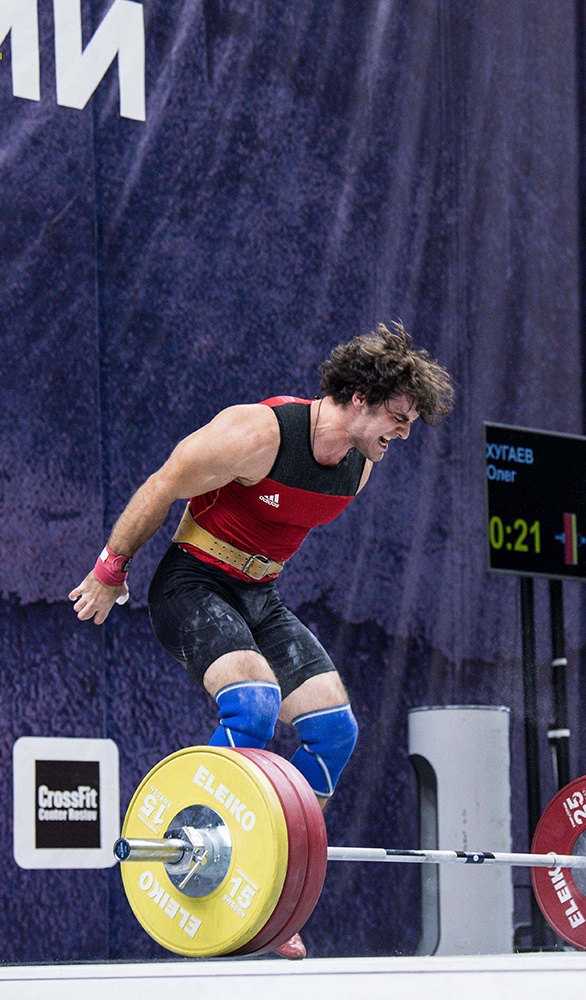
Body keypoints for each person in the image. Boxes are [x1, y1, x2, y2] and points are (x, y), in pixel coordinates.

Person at [69, 322, 454, 958]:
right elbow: (164, 482)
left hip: (258, 596)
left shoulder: (359, 467)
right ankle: (198, 849)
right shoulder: (259, 433)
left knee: (334, 732)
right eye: (398, 417)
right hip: (192, 583)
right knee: (253, 703)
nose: (404, 433)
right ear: (359, 398)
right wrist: (111, 570)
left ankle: (268, 889)